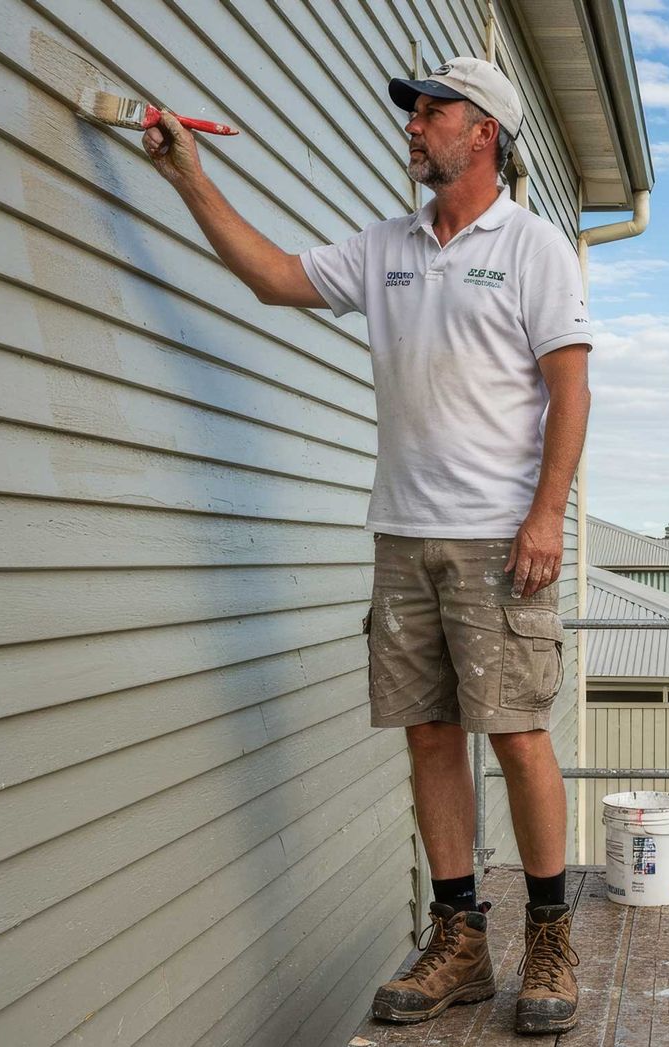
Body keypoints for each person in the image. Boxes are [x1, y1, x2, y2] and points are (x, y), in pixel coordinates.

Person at [142, 56, 590, 1035]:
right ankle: (460, 941)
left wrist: (547, 513)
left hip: (497, 542)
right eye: (415, 110)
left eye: (436, 110)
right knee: (430, 733)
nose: (416, 122)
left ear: (486, 133)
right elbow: (273, 280)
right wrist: (188, 179)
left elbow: (570, 388)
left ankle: (550, 936)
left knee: (516, 734)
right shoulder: (385, 248)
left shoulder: (532, 247)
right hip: (403, 539)